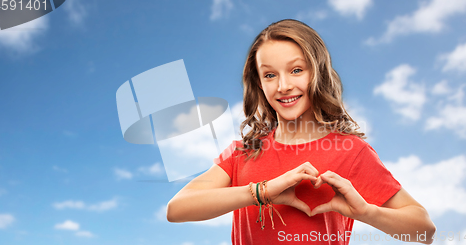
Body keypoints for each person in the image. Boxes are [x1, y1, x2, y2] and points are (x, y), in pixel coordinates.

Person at [167, 19, 436, 245]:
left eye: (296, 70)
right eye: (270, 75)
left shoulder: (351, 151)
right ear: (259, 85)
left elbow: (424, 231)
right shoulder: (245, 151)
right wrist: (263, 191)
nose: (283, 85)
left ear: (317, 74)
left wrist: (366, 212)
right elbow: (177, 209)